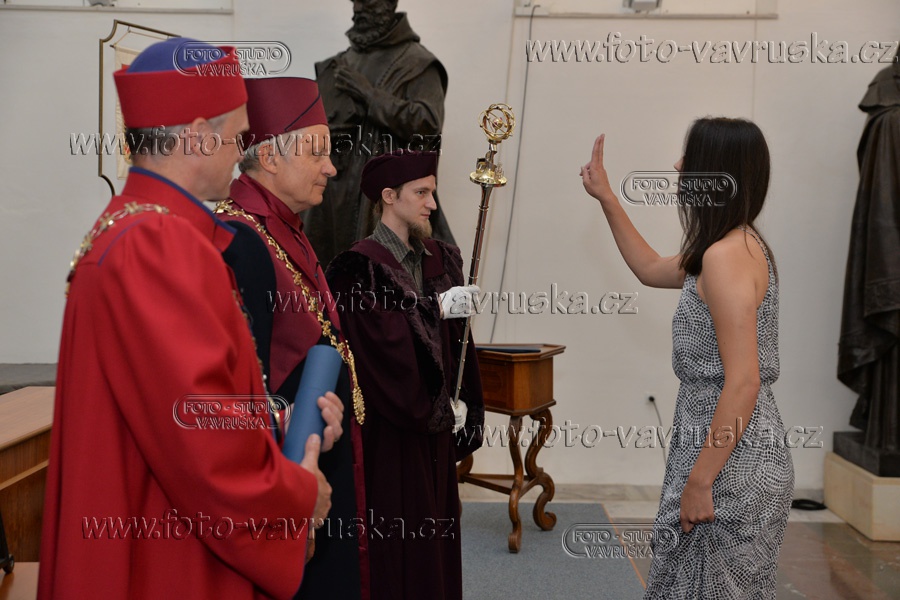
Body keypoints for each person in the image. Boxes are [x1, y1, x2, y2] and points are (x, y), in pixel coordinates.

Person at [39, 39, 343, 599]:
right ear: (199, 135)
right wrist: (297, 495)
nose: (242, 153)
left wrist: (279, 423)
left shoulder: (139, 230)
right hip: (167, 549)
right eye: (238, 137)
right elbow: (202, 444)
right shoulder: (156, 245)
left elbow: (175, 401)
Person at [581, 119, 794, 599]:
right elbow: (649, 267)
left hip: (730, 465)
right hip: (724, 452)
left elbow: (744, 381)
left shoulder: (726, 257)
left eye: (690, 158)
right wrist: (607, 197)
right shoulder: (728, 248)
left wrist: (700, 480)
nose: (678, 166)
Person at [217, 76, 369, 600]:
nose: (331, 168)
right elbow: (240, 391)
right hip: (290, 473)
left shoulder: (286, 227)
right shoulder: (240, 239)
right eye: (317, 152)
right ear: (270, 157)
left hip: (317, 453)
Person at [326, 150, 485, 600]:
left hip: (438, 426)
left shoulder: (442, 259)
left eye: (433, 192)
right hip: (391, 431)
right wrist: (436, 308)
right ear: (389, 196)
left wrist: (463, 399)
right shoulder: (356, 268)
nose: (432, 204)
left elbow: (460, 343)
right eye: (421, 193)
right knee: (398, 542)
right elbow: (382, 344)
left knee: (437, 535)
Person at [304, 0, 455, 268]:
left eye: (368, 2)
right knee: (327, 276)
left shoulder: (418, 63)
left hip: (380, 197)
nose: (358, 9)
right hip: (331, 196)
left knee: (379, 280)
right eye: (355, 2)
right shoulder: (337, 65)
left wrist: (369, 95)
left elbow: (428, 124)